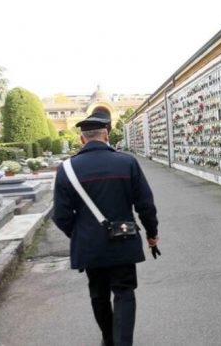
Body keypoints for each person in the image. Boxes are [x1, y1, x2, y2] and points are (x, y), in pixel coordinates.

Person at [52, 110, 159, 346]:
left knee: (98, 293)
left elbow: (60, 215)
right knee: (124, 292)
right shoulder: (127, 162)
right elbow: (145, 205)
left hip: (90, 246)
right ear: (107, 135)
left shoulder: (67, 169)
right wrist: (152, 234)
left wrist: (81, 234)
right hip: (123, 239)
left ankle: (108, 339)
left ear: (82, 139)